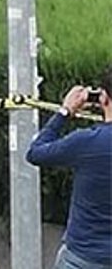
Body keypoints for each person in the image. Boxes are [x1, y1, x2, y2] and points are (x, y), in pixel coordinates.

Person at [26, 67, 112, 269]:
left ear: (104, 98)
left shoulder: (86, 142)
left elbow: (35, 152)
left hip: (83, 255)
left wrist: (65, 111)